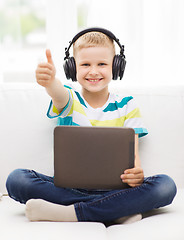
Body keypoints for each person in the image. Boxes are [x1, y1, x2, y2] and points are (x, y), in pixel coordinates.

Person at [6, 28, 177, 224]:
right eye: (85, 64)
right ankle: (115, 210)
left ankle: (72, 212)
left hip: (117, 188)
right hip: (67, 187)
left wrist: (136, 175)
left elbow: (134, 157)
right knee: (17, 180)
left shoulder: (127, 104)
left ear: (116, 66)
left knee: (166, 186)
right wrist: (51, 82)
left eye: (102, 64)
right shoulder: (70, 99)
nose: (93, 71)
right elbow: (58, 93)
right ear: (72, 68)